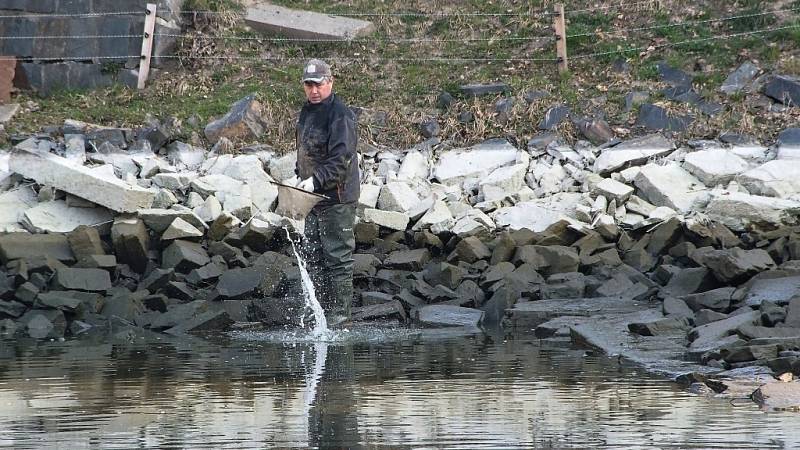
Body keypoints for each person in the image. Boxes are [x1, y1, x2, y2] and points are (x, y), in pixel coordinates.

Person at [290, 58, 359, 327]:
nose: (314, 90)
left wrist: (315, 180)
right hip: (312, 198)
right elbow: (305, 148)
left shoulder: (341, 114)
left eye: (318, 84)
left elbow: (341, 159)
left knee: (338, 259)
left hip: (337, 199)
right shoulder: (307, 111)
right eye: (309, 85)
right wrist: (298, 174)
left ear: (330, 82)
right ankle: (319, 314)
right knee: (314, 257)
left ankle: (340, 319)